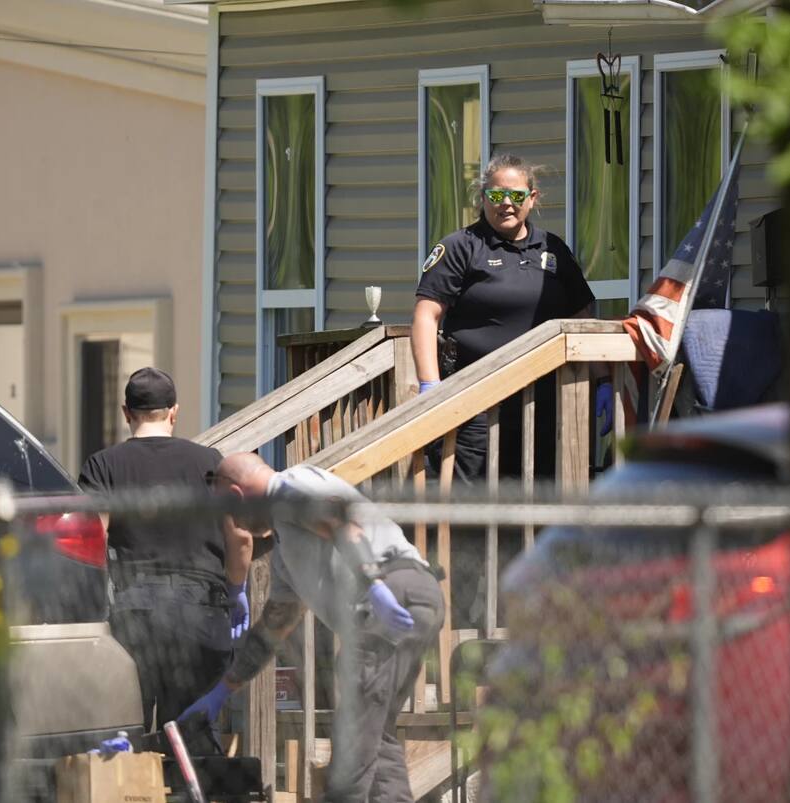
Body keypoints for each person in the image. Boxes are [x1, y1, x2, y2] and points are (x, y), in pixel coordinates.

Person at [214, 452, 444, 803]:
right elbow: (277, 622)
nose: (235, 524)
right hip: (418, 595)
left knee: (353, 738)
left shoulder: (286, 488)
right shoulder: (285, 545)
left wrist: (373, 584)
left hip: (388, 591)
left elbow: (338, 522)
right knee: (374, 733)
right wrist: (224, 688)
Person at [412, 152, 607, 482]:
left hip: (545, 406)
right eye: (496, 194)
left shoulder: (553, 249)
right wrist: (430, 387)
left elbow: (581, 317)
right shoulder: (461, 247)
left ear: (532, 199)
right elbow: (426, 316)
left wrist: (602, 382)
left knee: (541, 502)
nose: (506, 203)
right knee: (469, 509)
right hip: (473, 405)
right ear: (483, 196)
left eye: (516, 195)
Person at [78, 367, 250, 731]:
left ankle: (135, 786)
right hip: (200, 613)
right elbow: (241, 537)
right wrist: (236, 592)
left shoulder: (103, 466)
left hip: (135, 615)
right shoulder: (209, 462)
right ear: (174, 412)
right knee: (193, 735)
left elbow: (93, 534)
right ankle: (194, 785)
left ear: (127, 412)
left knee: (128, 733)